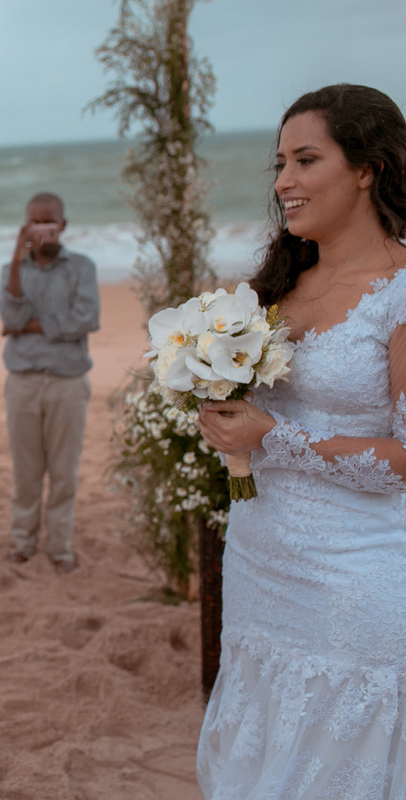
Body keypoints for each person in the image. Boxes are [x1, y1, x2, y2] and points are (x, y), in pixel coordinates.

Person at [195, 84, 406, 796]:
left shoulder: (401, 291)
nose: (283, 181)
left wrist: (274, 437)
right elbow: (255, 420)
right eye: (278, 164)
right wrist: (220, 411)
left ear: (368, 168)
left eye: (305, 160)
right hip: (260, 567)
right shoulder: (277, 287)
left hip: (353, 585)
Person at [0, 192, 99, 572]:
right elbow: (9, 311)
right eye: (35, 221)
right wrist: (15, 256)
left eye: (49, 220)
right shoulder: (13, 270)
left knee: (63, 472)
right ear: (26, 225)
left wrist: (28, 326)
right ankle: (23, 542)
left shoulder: (82, 268)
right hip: (22, 382)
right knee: (25, 472)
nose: (43, 228)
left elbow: (85, 318)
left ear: (63, 224)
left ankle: (60, 548)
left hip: (67, 382)